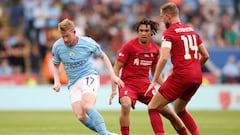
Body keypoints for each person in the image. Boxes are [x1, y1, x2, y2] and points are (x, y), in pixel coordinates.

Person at [109, 18, 187, 135]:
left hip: (146, 86)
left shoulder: (155, 49)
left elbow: (155, 73)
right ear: (138, 32)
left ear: (151, 32)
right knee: (125, 105)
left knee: (169, 113)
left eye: (146, 31)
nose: (143, 33)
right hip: (128, 85)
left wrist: (167, 88)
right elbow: (117, 68)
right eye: (141, 30)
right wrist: (114, 88)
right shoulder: (128, 46)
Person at [145, 2, 209, 135]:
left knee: (152, 107)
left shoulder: (169, 33)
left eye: (162, 17)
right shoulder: (191, 30)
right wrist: (193, 67)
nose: (162, 20)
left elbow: (163, 58)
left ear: (168, 16)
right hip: (197, 77)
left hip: (181, 76)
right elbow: (205, 55)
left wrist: (154, 80)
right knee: (180, 109)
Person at [52, 18, 124, 135]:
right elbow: (55, 64)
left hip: (88, 77)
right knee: (80, 115)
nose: (65, 39)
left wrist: (113, 76)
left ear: (74, 32)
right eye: (62, 36)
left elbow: (103, 56)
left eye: (67, 36)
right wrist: (57, 81)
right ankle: (107, 134)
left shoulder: (88, 42)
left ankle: (104, 134)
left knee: (87, 106)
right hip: (73, 83)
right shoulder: (57, 46)